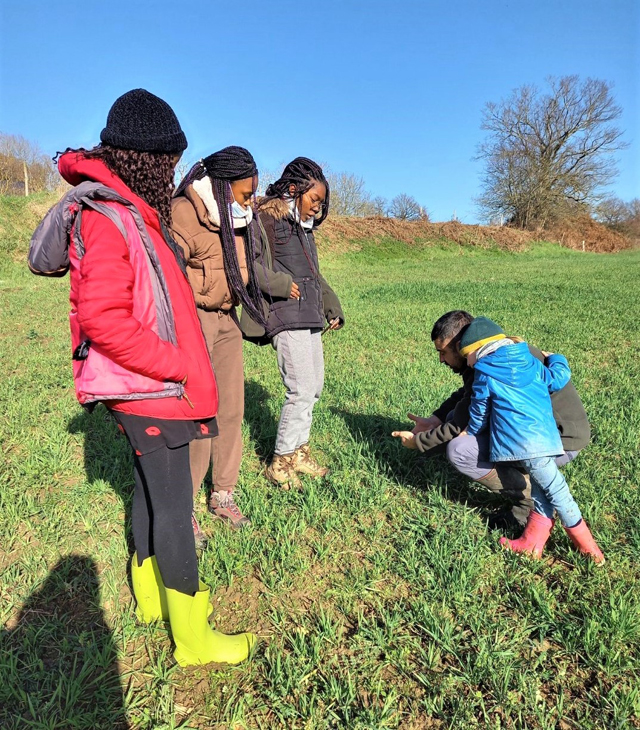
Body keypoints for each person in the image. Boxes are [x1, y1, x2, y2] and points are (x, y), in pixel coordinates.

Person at [28, 89, 256, 666]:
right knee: (176, 506)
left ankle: (151, 600)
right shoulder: (109, 215)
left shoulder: (129, 209)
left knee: (150, 493)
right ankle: (194, 638)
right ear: (144, 159)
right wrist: (178, 365)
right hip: (148, 387)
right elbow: (103, 319)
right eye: (169, 162)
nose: (174, 173)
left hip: (143, 387)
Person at [395, 317, 604, 563]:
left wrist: (419, 442)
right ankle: (532, 542)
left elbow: (467, 420)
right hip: (543, 435)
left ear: (465, 346)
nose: (441, 359)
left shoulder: (486, 367)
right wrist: (437, 419)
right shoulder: (507, 354)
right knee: (458, 422)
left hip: (552, 439)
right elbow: (465, 400)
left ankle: (585, 547)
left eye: (443, 352)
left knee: (462, 449)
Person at [172, 147, 268, 529]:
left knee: (231, 409)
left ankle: (223, 493)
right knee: (198, 412)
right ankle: (186, 505)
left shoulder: (240, 217)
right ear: (223, 186)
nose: (252, 200)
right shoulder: (185, 212)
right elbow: (169, 275)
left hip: (228, 319)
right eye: (247, 194)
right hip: (195, 320)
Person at [241, 158, 344, 489]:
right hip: (285, 314)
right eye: (314, 199)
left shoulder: (303, 230)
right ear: (293, 188)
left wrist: (331, 304)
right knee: (300, 388)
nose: (317, 207)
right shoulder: (264, 220)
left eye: (321, 203)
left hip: (309, 313)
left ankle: (299, 451)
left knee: (313, 388)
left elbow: (314, 275)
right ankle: (281, 461)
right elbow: (247, 265)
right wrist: (281, 285)